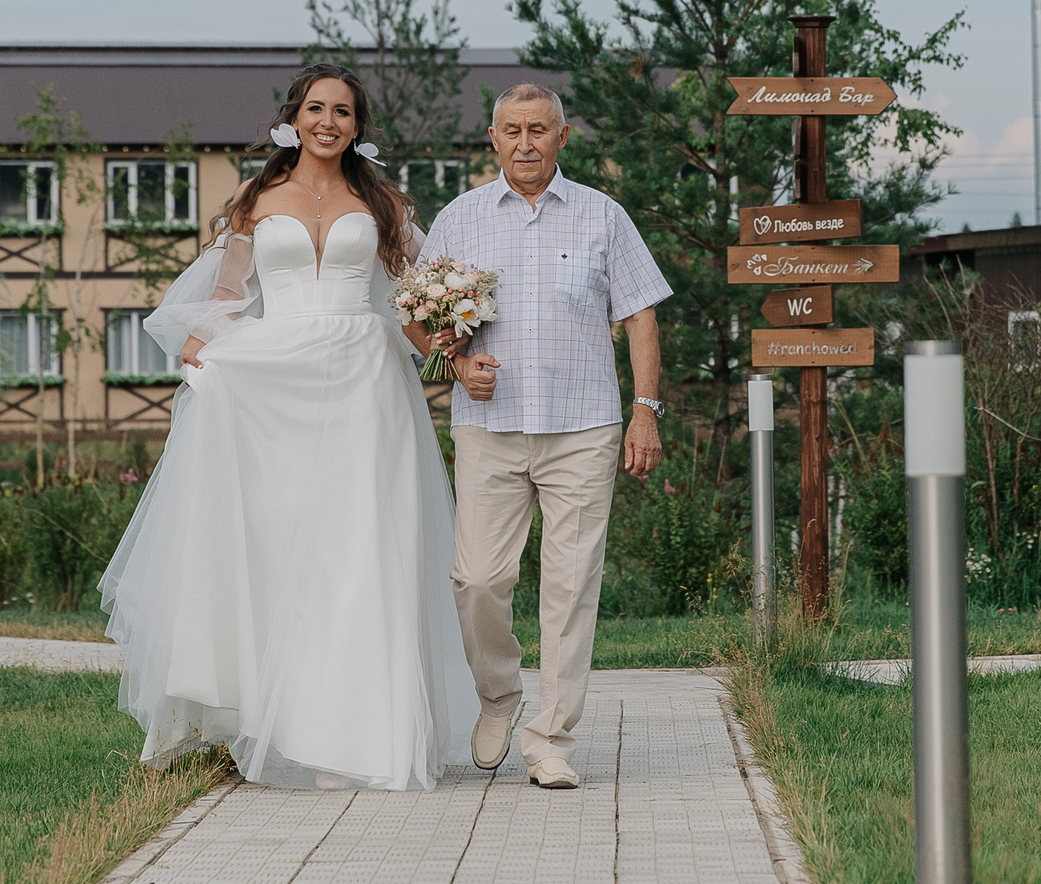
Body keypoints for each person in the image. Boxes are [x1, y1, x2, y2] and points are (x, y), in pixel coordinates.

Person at [97, 68, 477, 791]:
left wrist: (453, 350)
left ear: (357, 125)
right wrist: (203, 351)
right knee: (280, 547)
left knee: (363, 546)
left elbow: (413, 304)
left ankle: (369, 734)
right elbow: (228, 295)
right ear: (293, 119)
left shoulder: (382, 202)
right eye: (316, 108)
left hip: (365, 383)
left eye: (342, 111)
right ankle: (283, 719)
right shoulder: (255, 199)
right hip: (276, 381)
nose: (328, 121)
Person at [419, 83, 671, 789]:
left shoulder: (603, 215)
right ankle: (499, 696)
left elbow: (642, 316)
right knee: (476, 580)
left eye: (539, 129)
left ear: (564, 137)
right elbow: (424, 317)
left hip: (585, 425)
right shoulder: (461, 218)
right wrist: (455, 363)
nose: (525, 142)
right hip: (489, 427)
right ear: (493, 139)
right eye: (512, 129)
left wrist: (646, 408)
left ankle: (550, 737)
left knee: (569, 584)